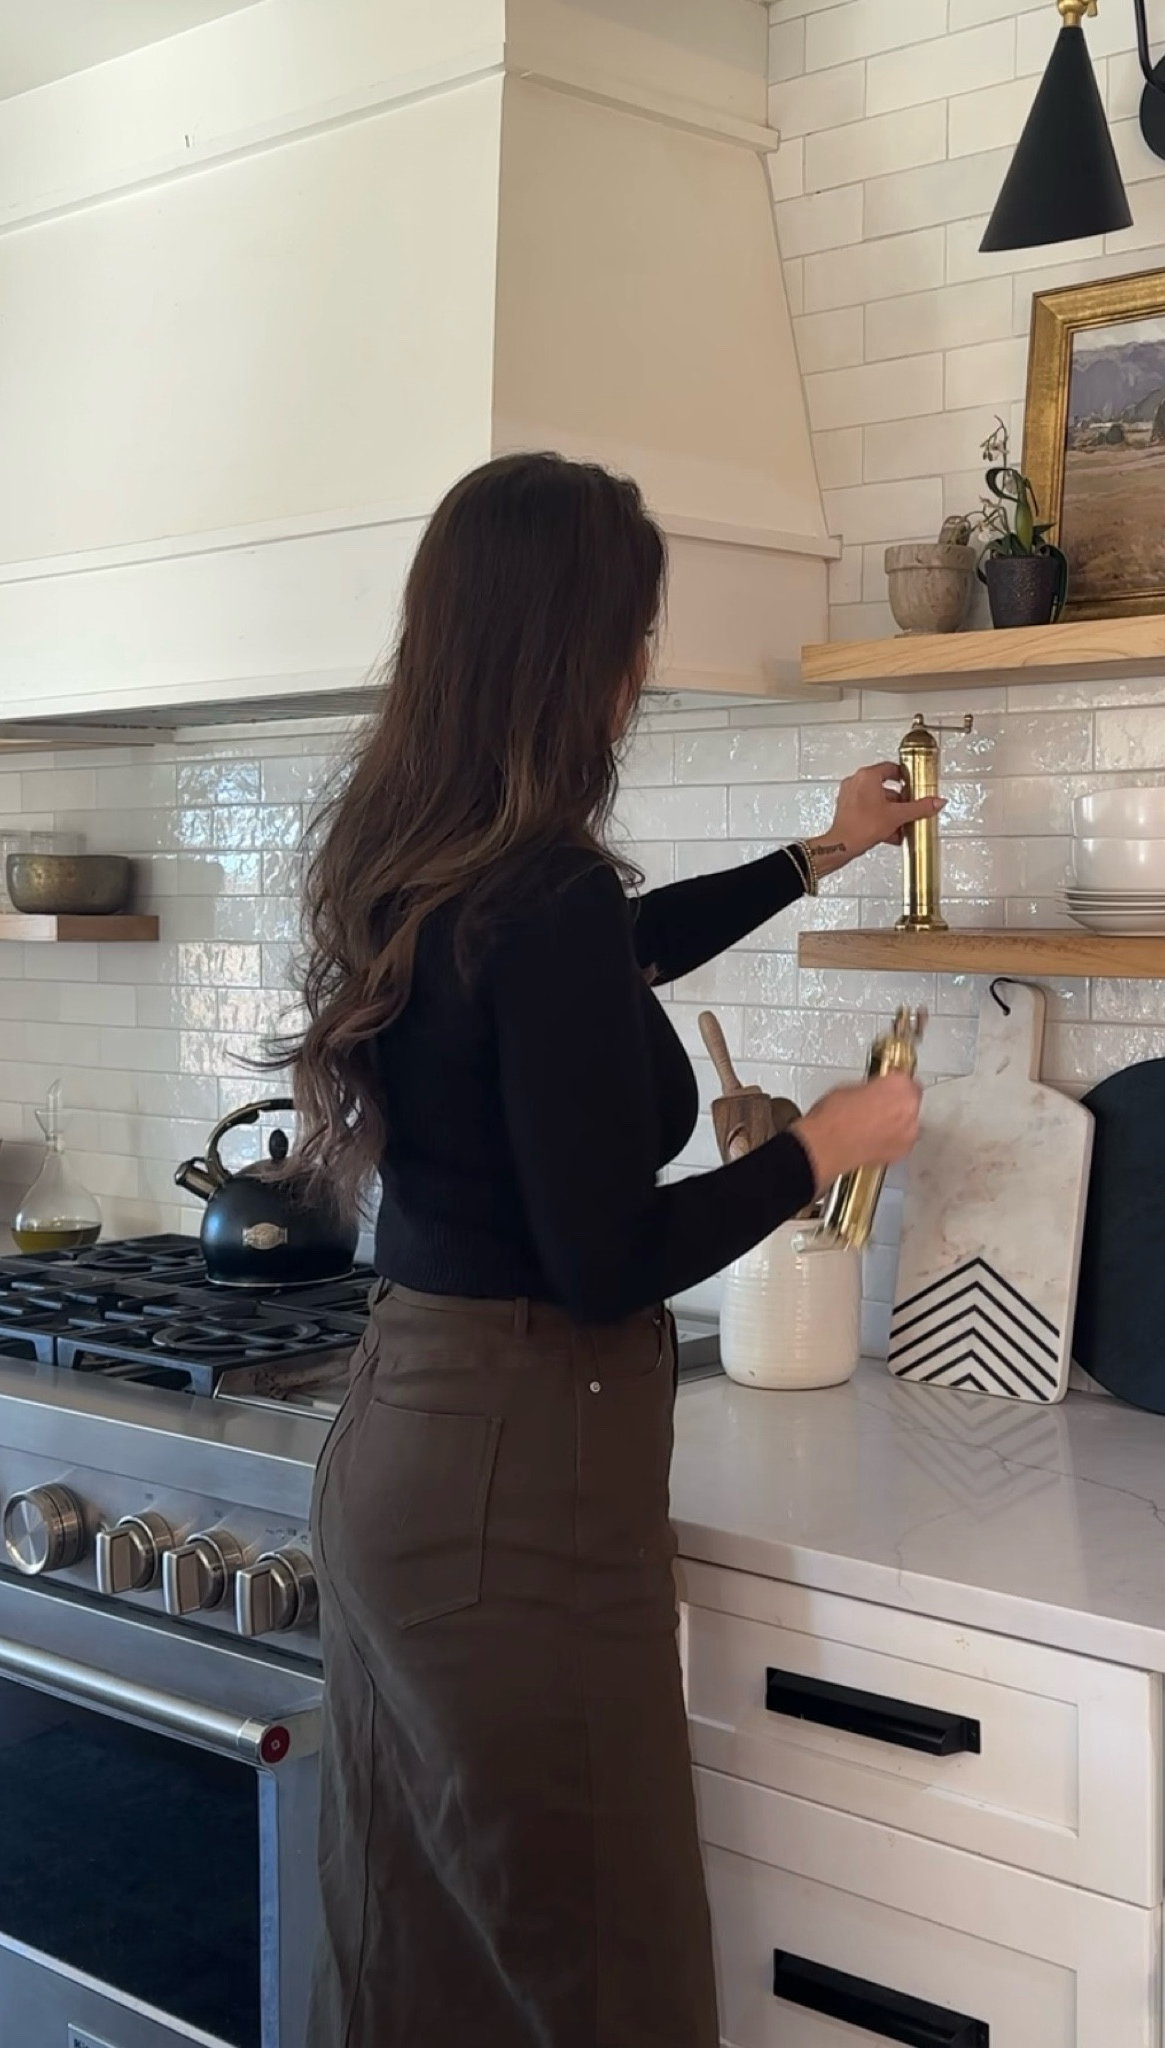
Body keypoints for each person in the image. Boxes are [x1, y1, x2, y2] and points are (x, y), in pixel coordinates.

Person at [281, 450, 931, 2048]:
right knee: (603, 1969)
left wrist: (815, 857)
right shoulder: (537, 887)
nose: (644, 665)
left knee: (421, 1953)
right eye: (635, 630)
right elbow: (604, 1262)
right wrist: (817, 1149)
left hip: (408, 1444)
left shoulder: (414, 849)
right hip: (521, 1486)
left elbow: (608, 957)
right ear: (582, 651)